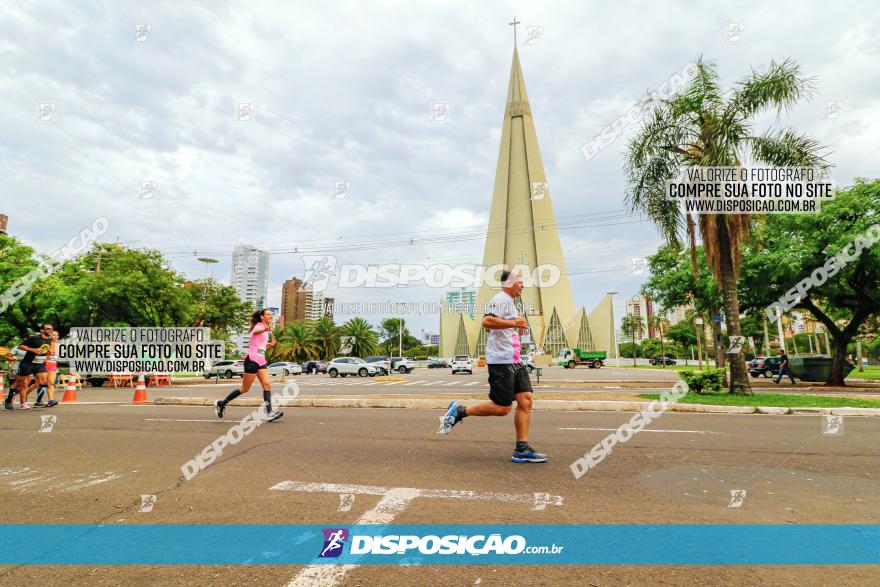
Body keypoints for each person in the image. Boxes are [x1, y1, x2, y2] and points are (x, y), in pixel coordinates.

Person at [437, 269, 547, 463]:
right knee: (502, 408)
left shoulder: (510, 303)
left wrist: (516, 327)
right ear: (509, 283)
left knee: (526, 399)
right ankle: (460, 411)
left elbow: (500, 327)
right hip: (501, 361)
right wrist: (513, 322)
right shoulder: (501, 298)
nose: (523, 285)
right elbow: (486, 322)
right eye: (520, 282)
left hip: (515, 359)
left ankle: (521, 449)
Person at [214, 309, 283, 421]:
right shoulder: (259, 326)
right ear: (262, 317)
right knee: (245, 389)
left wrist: (270, 344)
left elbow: (260, 346)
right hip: (252, 361)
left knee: (267, 385)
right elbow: (255, 331)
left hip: (261, 361)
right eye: (268, 315)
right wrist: (265, 329)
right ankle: (221, 404)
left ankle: (270, 412)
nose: (271, 316)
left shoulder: (265, 330)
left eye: (271, 315)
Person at [6, 325, 53, 410]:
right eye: (48, 329)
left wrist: (49, 351)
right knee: (22, 383)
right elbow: (20, 346)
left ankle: (38, 402)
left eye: (51, 329)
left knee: (43, 382)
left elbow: (45, 347)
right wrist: (33, 350)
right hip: (28, 364)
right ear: (42, 330)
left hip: (39, 364)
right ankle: (11, 400)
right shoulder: (33, 338)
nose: (51, 330)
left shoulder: (49, 340)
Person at [34, 330, 60, 408]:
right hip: (44, 364)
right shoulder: (46, 344)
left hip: (53, 364)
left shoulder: (58, 345)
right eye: (54, 335)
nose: (56, 337)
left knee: (51, 383)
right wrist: (48, 350)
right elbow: (41, 352)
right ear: (50, 336)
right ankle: (37, 401)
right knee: (40, 384)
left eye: (57, 335)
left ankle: (50, 401)